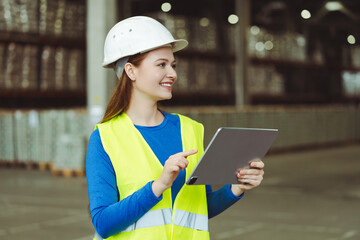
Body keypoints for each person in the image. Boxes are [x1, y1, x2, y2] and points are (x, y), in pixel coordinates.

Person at [86, 16, 265, 240]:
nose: (172, 74)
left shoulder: (190, 130)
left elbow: (200, 208)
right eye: (161, 64)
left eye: (173, 65)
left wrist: (237, 187)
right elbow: (103, 223)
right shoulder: (105, 138)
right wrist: (159, 185)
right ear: (131, 71)